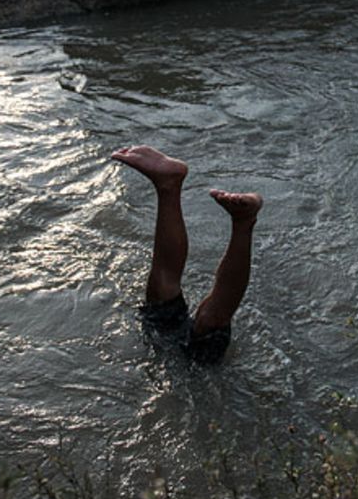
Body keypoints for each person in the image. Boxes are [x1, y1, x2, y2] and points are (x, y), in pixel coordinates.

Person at [110, 145, 262, 365]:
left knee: (205, 316)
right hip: (190, 371)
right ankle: (170, 188)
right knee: (194, 310)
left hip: (178, 368)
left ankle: (170, 187)